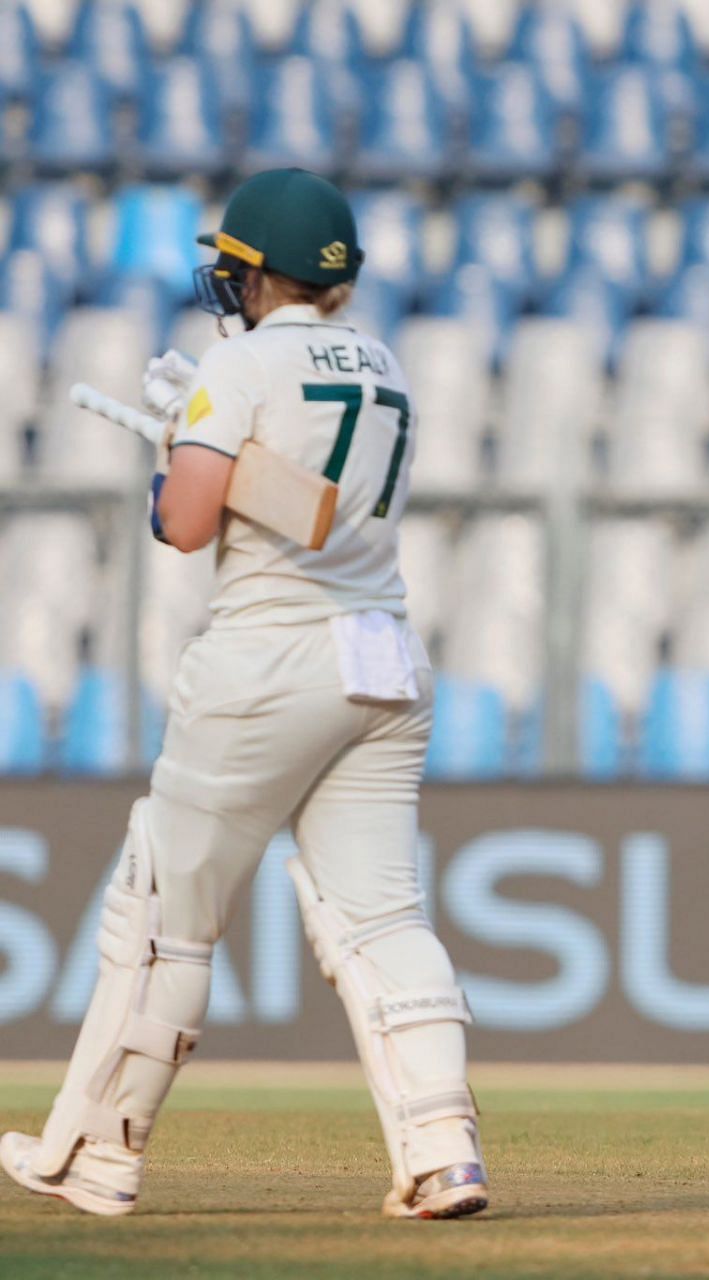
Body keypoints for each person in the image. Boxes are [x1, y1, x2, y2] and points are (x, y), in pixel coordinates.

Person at [0, 169, 490, 1219]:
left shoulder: (241, 362)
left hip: (272, 653)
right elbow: (320, 498)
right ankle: (444, 1147)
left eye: (236, 264)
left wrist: (188, 445)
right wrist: (217, 443)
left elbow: (184, 523)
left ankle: (95, 1152)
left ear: (258, 269)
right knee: (382, 912)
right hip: (383, 655)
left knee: (165, 904)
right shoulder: (390, 364)